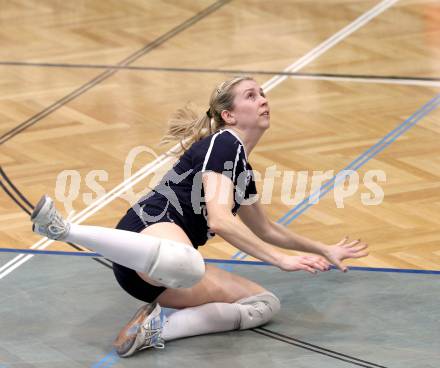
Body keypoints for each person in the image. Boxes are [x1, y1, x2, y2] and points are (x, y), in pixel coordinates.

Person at [30, 76, 369, 358]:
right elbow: (220, 220)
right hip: (148, 234)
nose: (263, 99)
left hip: (158, 271)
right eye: (251, 95)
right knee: (189, 264)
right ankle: (66, 229)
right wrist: (280, 260)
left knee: (262, 304)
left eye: (263, 93)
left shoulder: (242, 169)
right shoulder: (224, 143)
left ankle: (156, 328)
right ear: (229, 115)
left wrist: (324, 248)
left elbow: (266, 229)